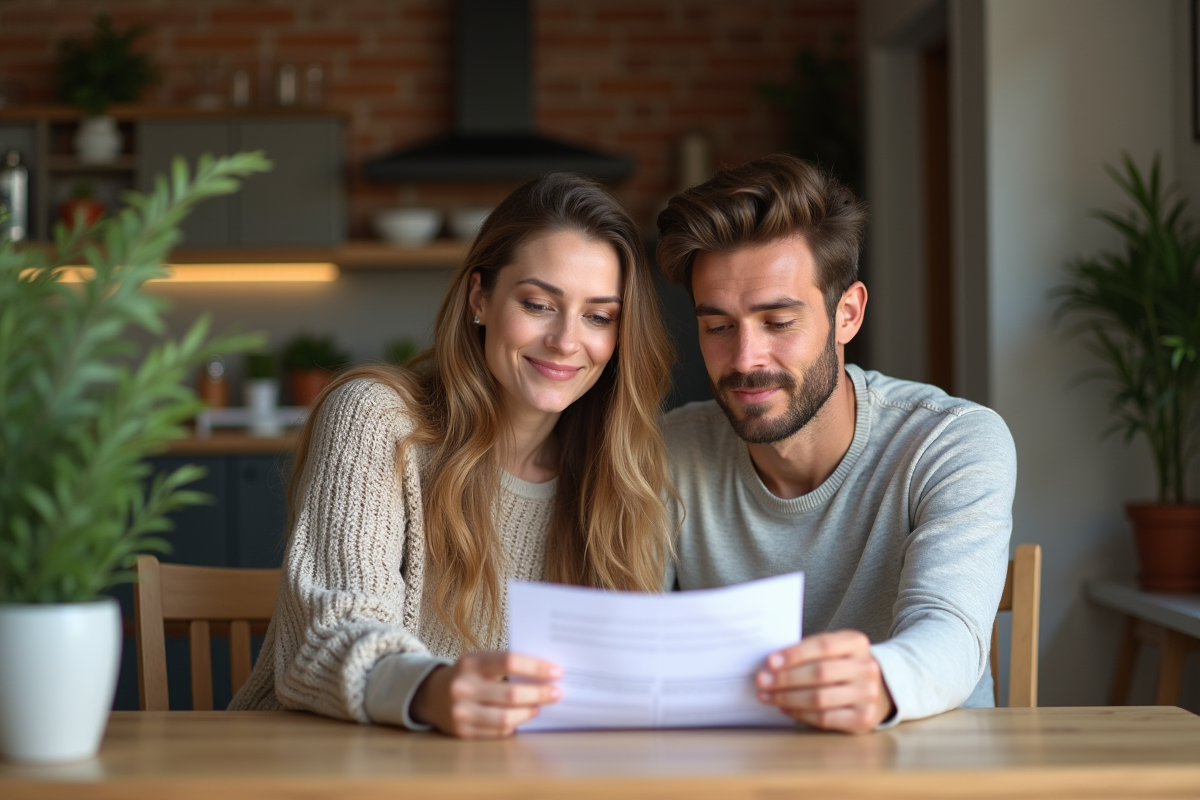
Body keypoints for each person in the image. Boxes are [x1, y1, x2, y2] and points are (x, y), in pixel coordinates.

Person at [231, 172, 676, 739]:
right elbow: (330, 633)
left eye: (598, 316)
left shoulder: (620, 475)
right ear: (480, 299)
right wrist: (429, 690)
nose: (567, 341)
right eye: (539, 304)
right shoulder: (377, 419)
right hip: (316, 765)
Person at [656, 154, 1016, 734]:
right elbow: (625, 636)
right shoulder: (667, 455)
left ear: (846, 314)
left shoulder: (950, 443)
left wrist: (874, 682)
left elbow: (950, 633)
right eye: (718, 327)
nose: (745, 359)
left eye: (778, 322)